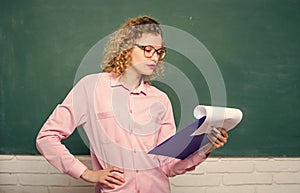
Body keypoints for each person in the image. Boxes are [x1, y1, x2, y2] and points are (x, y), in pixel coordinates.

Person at [36, 15, 229, 193]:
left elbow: (168, 166)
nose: (154, 57)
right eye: (147, 49)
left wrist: (206, 147)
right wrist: (86, 173)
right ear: (126, 47)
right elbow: (46, 137)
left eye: (159, 52)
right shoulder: (90, 88)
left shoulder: (160, 100)